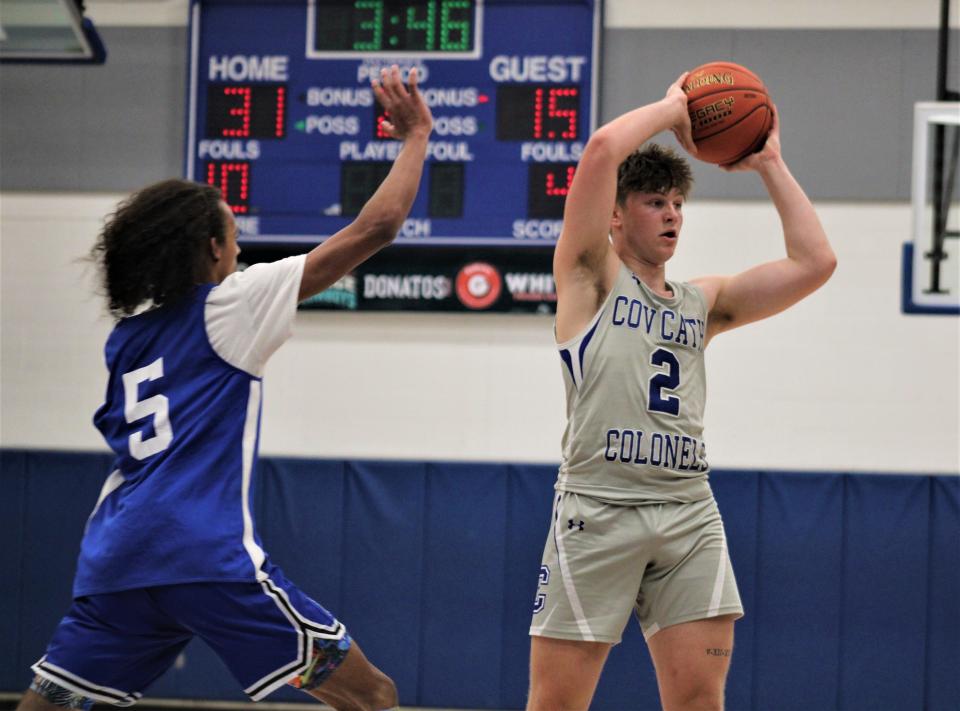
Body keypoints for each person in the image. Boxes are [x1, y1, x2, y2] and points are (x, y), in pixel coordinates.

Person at [17, 65, 432, 711]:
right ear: (212, 249)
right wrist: (416, 138)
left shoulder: (127, 336)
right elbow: (374, 229)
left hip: (116, 560)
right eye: (234, 238)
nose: (240, 252)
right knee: (373, 695)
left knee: (51, 704)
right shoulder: (230, 304)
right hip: (203, 556)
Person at [526, 73, 836, 710]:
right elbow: (602, 151)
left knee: (700, 701)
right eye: (653, 202)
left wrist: (769, 162)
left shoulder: (705, 302)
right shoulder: (590, 278)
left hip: (688, 510)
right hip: (598, 507)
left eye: (677, 204)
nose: (671, 214)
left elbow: (815, 262)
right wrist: (675, 110)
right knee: (557, 704)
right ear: (614, 215)